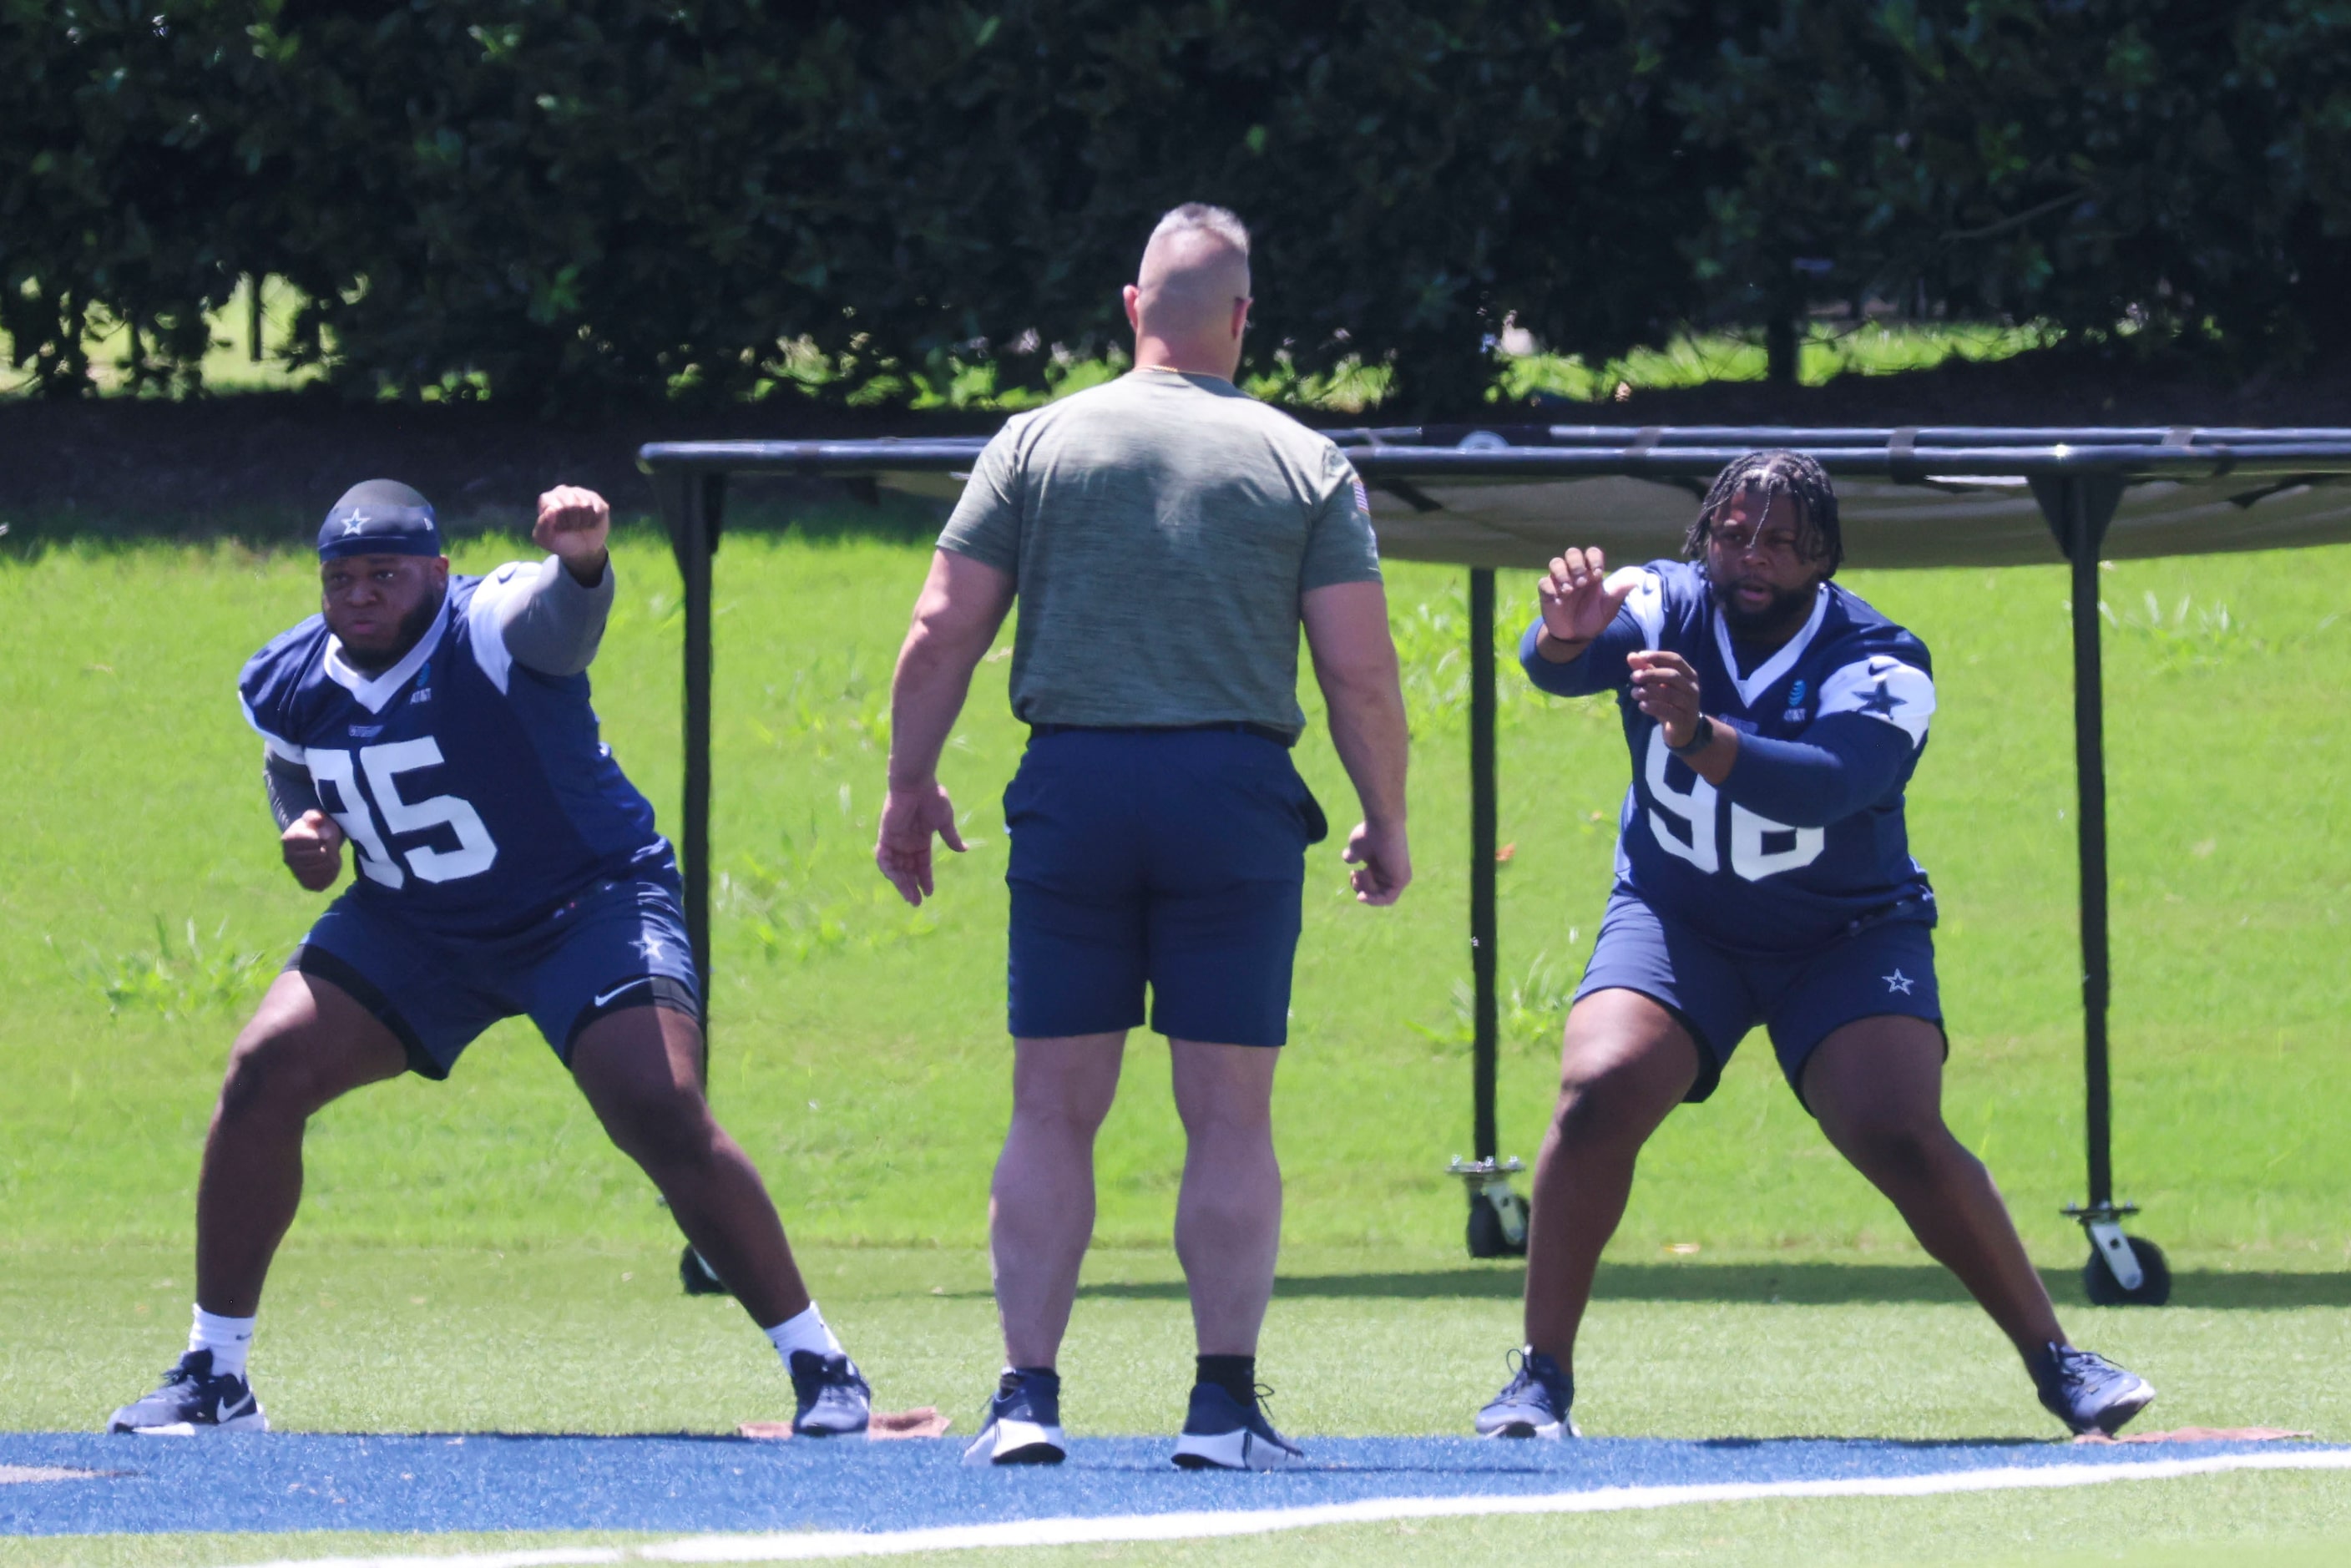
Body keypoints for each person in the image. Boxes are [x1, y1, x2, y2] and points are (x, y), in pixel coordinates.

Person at [107, 480, 871, 1437]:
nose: (359, 596)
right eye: (339, 578)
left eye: (385, 574)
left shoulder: (493, 621)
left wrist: (583, 560)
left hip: (580, 903)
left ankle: (820, 1361)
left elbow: (563, 620)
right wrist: (302, 828)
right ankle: (214, 1375)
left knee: (657, 1102)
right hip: (412, 924)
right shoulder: (288, 676)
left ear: (436, 569)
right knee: (264, 1068)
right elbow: (290, 763)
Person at [875, 204, 1412, 1470]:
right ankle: (1221, 1407)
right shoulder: (1301, 460)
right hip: (1230, 789)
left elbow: (940, 627)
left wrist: (909, 783)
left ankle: (1025, 1397)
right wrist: (1385, 818)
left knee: (1052, 1105)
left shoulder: (1036, 441)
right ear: (1241, 319)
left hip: (1074, 781)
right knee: (1229, 1110)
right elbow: (1362, 674)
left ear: (1132, 308)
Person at [1474, 450, 2155, 1441]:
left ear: (1824, 555)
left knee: (1895, 1127)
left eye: (1784, 543)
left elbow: (1829, 782)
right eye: (1734, 534)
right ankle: (1539, 1379)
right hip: (1680, 919)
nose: (1753, 557)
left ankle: (2060, 1365)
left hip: (1840, 932)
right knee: (1596, 1089)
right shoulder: (1664, 600)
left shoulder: (1882, 657)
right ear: (1702, 535)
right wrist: (1561, 636)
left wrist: (1699, 732)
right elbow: (1560, 664)